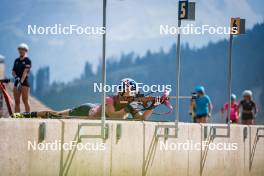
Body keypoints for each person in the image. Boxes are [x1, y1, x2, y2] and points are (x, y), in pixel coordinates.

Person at [13, 78, 161, 120]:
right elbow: (111, 114)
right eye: (130, 90)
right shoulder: (111, 99)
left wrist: (152, 106)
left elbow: (141, 119)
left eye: (132, 91)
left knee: (56, 116)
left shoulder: (129, 104)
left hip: (91, 115)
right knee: (55, 115)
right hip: (86, 110)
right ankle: (25, 115)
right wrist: (132, 105)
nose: (132, 93)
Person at [12, 43, 32, 113]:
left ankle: (28, 116)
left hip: (25, 83)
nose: (20, 51)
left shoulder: (28, 60)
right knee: (17, 101)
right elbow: (13, 71)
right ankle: (17, 116)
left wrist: (21, 82)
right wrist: (16, 78)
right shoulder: (16, 60)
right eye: (19, 49)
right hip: (16, 82)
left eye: (22, 49)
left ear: (25, 50)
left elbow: (25, 72)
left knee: (25, 100)